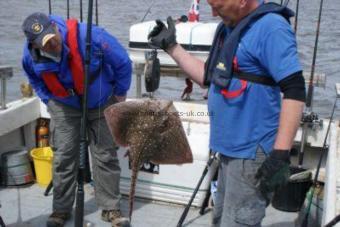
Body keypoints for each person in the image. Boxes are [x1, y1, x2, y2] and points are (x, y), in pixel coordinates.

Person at [148, 0, 306, 226]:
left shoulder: (272, 28)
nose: (212, 12)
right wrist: (172, 46)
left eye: (217, 5)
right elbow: (208, 77)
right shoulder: (228, 27)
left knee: (239, 220)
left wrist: (280, 154)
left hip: (250, 151)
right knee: (222, 217)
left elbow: (295, 89)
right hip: (226, 149)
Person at [21, 12, 132, 227]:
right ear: (33, 44)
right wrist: (48, 100)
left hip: (101, 99)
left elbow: (123, 63)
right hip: (63, 104)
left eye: (52, 36)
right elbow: (35, 79)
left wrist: (120, 94)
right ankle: (60, 210)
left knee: (105, 155)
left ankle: (110, 208)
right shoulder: (28, 57)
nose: (52, 44)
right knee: (63, 157)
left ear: (54, 26)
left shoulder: (93, 36)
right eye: (45, 43)